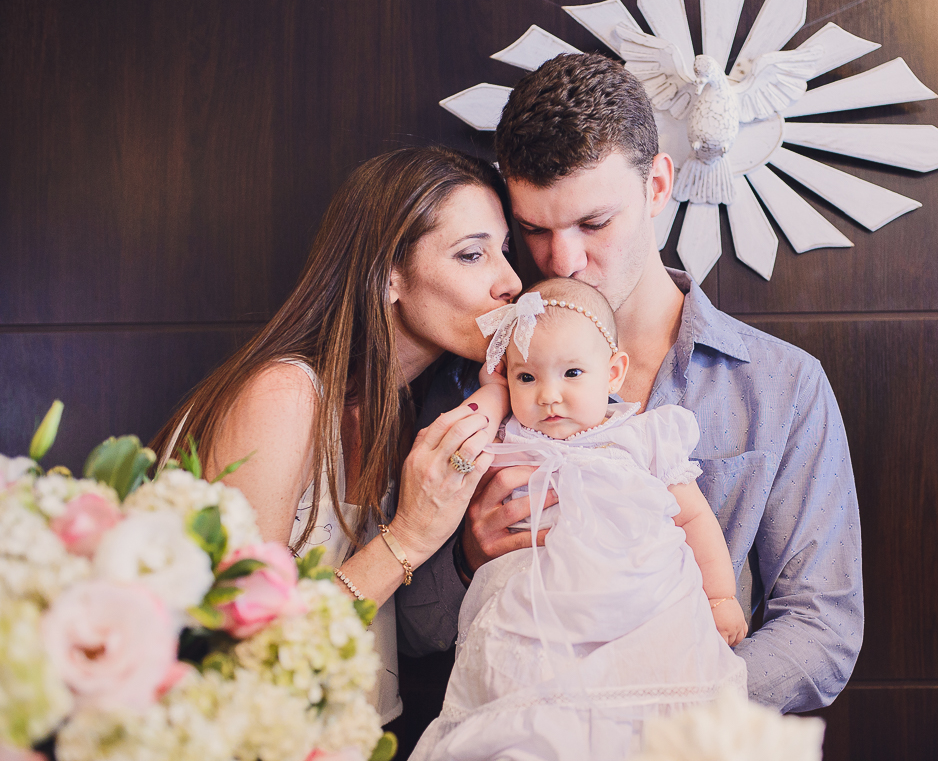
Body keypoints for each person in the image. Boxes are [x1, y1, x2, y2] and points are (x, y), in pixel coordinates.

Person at [396, 53, 864, 715]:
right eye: (534, 230)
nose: (563, 261)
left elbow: (823, 633)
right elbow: (412, 633)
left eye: (593, 223)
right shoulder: (477, 382)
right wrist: (469, 559)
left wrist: (655, 719)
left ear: (657, 186)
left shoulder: (783, 385)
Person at [150, 146, 520, 725]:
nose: (511, 282)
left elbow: (393, 640)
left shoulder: (399, 413)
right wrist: (412, 537)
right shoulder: (285, 398)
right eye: (472, 255)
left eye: (505, 250)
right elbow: (241, 650)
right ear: (387, 275)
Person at [409, 277, 747, 760]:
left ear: (613, 373)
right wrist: (496, 391)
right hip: (530, 616)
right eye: (527, 378)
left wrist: (719, 595)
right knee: (523, 716)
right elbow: (473, 424)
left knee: (644, 716)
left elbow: (693, 517)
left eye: (571, 373)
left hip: (638, 609)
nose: (548, 395)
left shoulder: (641, 439)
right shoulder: (513, 438)